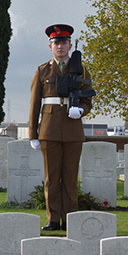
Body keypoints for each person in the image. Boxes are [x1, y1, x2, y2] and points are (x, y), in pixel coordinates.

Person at [28, 24, 93, 231]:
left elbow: (88, 100)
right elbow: (34, 104)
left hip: (73, 128)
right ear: (50, 46)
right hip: (49, 129)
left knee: (70, 177)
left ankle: (70, 219)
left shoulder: (81, 70)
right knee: (52, 177)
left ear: (70, 45)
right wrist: (33, 133)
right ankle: (53, 219)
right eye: (56, 43)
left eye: (64, 43)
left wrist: (81, 111)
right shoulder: (42, 70)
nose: (60, 46)